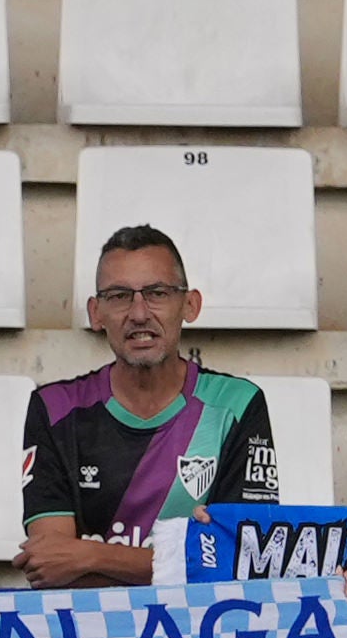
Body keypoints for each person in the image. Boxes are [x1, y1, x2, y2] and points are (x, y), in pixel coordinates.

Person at [18, 224, 281, 584]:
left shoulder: (237, 405)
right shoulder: (54, 408)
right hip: (89, 632)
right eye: (119, 296)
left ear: (190, 305)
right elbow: (51, 565)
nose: (139, 314)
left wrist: (92, 554)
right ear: (95, 313)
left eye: (157, 293)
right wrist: (184, 557)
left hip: (200, 631)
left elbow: (241, 560)